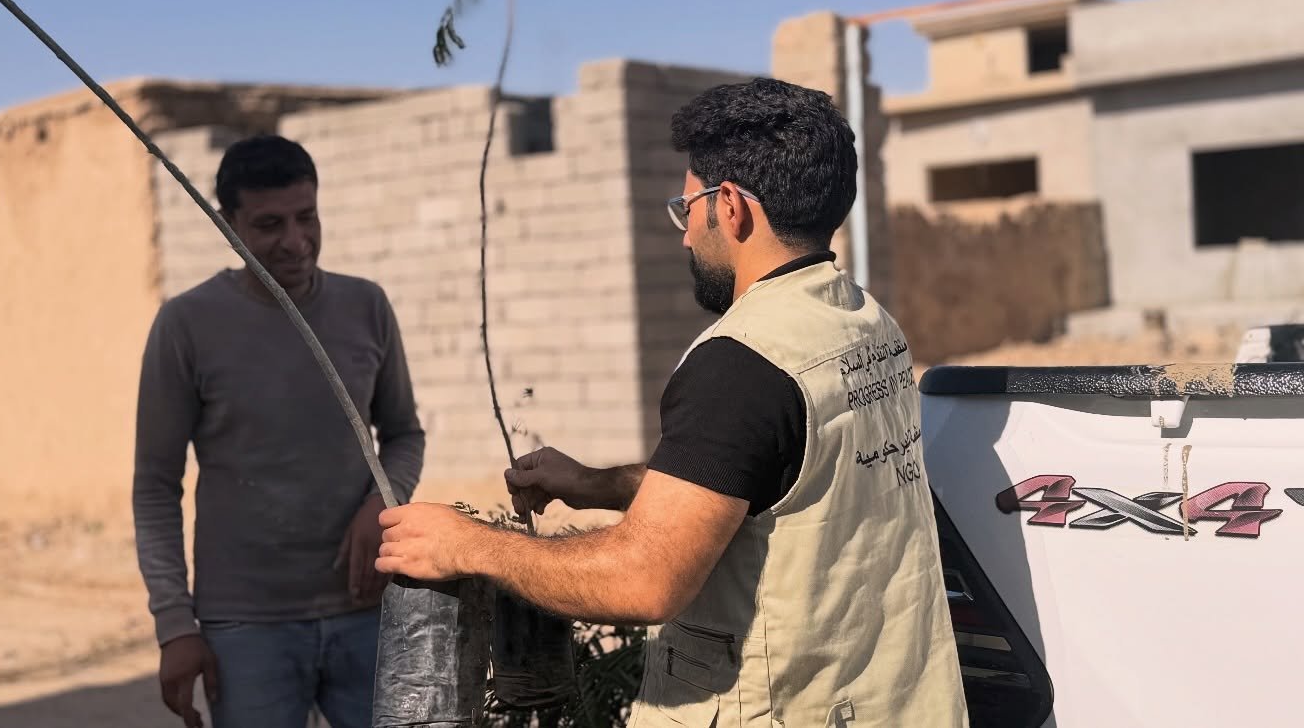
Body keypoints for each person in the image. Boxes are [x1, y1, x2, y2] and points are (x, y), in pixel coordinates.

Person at [374, 79, 967, 726]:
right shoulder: (864, 321)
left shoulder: (744, 361)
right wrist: (594, 484)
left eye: (688, 210)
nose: (685, 238)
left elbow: (643, 579)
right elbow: (764, 479)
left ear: (730, 206)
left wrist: (471, 545)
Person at [133, 135, 425, 728]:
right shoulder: (186, 325)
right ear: (228, 225)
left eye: (306, 217)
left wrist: (384, 501)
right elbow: (155, 486)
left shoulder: (366, 305)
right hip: (245, 626)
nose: (295, 241)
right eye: (269, 225)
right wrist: (175, 626)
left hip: (367, 609)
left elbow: (403, 435)